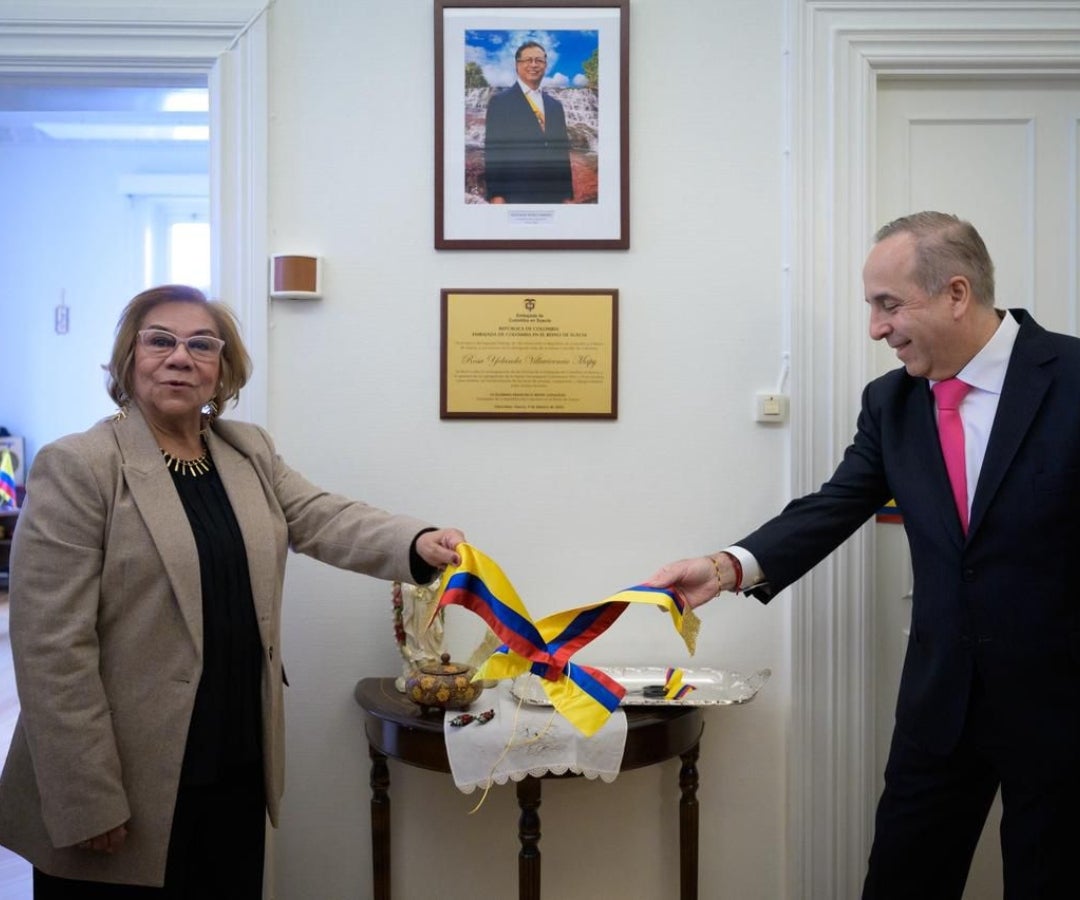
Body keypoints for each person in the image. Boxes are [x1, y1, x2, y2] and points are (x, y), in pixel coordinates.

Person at [649, 211, 1080, 899]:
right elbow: (837, 503)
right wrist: (729, 566)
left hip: (1064, 709)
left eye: (889, 305)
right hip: (941, 706)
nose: (876, 328)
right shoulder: (892, 403)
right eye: (872, 307)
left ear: (957, 294)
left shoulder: (1073, 377)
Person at [0, 284, 467, 897]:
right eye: (159, 340)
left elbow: (324, 516)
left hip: (235, 758)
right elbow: (50, 649)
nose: (179, 356)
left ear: (222, 370)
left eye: (202, 344)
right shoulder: (81, 465)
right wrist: (87, 795)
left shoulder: (247, 452)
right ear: (126, 359)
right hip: (122, 774)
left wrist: (418, 542)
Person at [484, 40, 574, 204]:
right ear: (517, 65)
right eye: (528, 60)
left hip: (553, 196)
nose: (534, 65)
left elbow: (562, 153)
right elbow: (493, 153)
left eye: (539, 61)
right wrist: (496, 196)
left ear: (545, 66)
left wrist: (567, 195)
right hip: (516, 195)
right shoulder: (500, 102)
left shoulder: (555, 106)